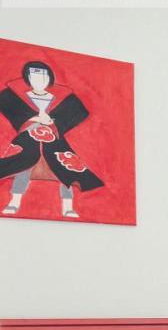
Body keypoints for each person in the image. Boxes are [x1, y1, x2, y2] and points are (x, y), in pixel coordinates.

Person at [0, 60, 105, 219]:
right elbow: (10, 109)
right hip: (29, 136)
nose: (39, 80)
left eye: (43, 76)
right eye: (34, 76)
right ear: (27, 78)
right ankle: (14, 202)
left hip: (53, 137)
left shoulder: (62, 97)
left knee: (64, 168)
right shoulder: (16, 95)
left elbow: (78, 112)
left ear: (49, 77)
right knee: (22, 166)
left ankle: (68, 207)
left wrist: (52, 122)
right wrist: (34, 119)